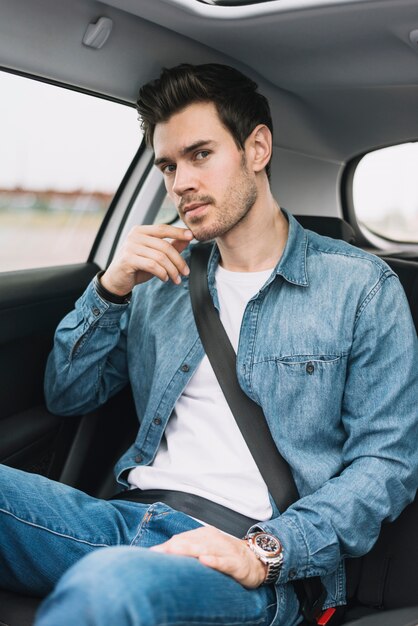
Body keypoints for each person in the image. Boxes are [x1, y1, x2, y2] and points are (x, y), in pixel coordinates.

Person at [0, 63, 417, 626]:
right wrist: (111, 287)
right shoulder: (159, 281)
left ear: (258, 148)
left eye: (200, 155)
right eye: (168, 166)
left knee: (113, 583)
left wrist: (264, 553)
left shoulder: (360, 288)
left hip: (252, 558)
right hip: (120, 523)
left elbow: (385, 465)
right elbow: (67, 396)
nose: (180, 183)